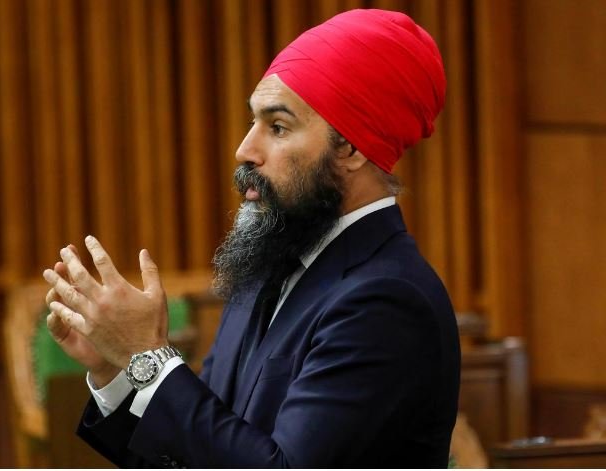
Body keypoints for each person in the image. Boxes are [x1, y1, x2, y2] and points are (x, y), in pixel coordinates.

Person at [43, 8, 460, 468]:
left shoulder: (386, 299)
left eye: (277, 127)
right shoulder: (265, 268)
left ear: (351, 147)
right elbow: (201, 454)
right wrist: (116, 368)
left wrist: (147, 358)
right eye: (253, 122)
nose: (246, 150)